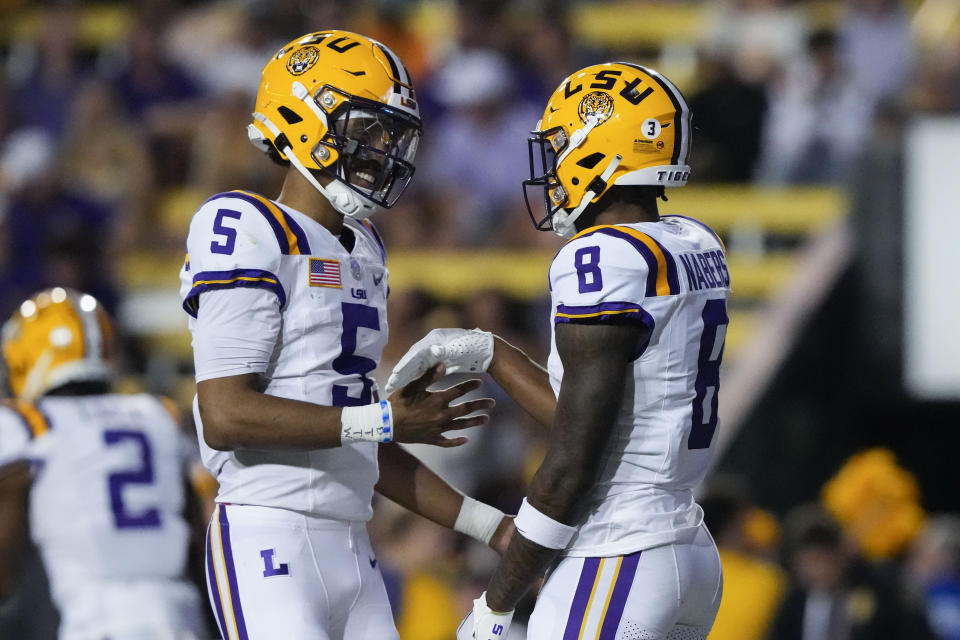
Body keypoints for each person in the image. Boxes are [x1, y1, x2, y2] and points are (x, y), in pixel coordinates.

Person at [178, 30, 512, 639]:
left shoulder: (363, 247)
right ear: (304, 117)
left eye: (391, 133)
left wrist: (493, 529)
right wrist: (384, 421)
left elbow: (352, 437)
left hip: (351, 545)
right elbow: (225, 413)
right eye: (368, 127)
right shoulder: (243, 224)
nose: (383, 147)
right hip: (267, 533)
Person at [387, 62, 729, 639]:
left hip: (620, 549)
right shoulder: (693, 241)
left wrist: (497, 604)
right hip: (687, 547)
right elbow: (598, 415)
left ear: (600, 150)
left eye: (563, 148)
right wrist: (490, 351)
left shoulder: (601, 259)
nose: (553, 168)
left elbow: (571, 464)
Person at [0, 287, 206, 639]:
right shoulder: (159, 413)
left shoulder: (27, 423)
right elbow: (198, 536)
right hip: (178, 616)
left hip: (97, 621)